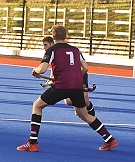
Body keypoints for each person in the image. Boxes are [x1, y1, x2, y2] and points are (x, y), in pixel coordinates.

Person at [18, 24, 117, 152]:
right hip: (77, 86)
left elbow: (42, 69)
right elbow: (85, 68)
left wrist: (35, 71)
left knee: (37, 106)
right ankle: (110, 140)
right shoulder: (75, 50)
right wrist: (74, 78)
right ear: (65, 36)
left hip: (61, 86)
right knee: (84, 114)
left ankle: (32, 143)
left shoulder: (52, 50)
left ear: (53, 37)